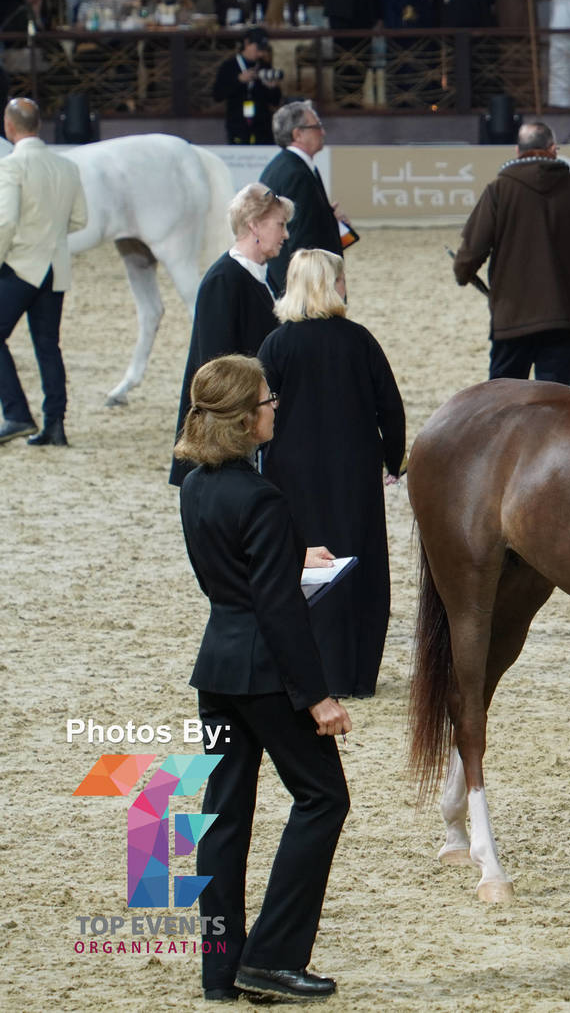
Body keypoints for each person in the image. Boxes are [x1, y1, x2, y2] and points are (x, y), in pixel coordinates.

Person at [174, 353, 351, 1002]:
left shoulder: (195, 487)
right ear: (247, 418)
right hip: (266, 675)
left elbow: (233, 574)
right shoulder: (263, 497)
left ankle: (219, 969)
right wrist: (318, 697)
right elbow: (279, 612)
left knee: (222, 816)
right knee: (323, 796)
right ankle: (272, 957)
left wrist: (284, 555)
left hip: (216, 666)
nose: (276, 406)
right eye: (268, 399)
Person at [258, 249, 405, 698]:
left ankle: (311, 671)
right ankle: (358, 674)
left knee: (304, 564)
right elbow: (391, 408)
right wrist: (391, 461)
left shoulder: (276, 344)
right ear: (331, 285)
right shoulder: (359, 340)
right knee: (359, 561)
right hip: (354, 472)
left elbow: (258, 411)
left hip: (292, 473)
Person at [454, 121, 570, 384]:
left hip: (512, 317)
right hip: (566, 316)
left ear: (518, 151)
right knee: (558, 407)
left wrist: (463, 273)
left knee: (502, 404)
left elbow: (473, 249)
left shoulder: (499, 189)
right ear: (553, 149)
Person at [169, 183, 292, 486]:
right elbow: (216, 366)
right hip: (229, 437)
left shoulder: (263, 276)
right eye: (280, 225)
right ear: (254, 226)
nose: (286, 234)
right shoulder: (223, 280)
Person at [0, 97, 87, 448]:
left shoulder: (11, 166)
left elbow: (5, 221)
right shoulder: (66, 166)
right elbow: (81, 219)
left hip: (22, 265)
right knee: (48, 347)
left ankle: (18, 414)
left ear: (9, 127)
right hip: (56, 267)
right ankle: (55, 424)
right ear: (38, 124)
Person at [260, 101, 344, 288]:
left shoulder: (286, 166)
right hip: (303, 288)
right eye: (316, 127)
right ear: (298, 134)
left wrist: (326, 218)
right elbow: (301, 239)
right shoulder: (296, 173)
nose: (323, 132)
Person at [213, 28, 282, 146]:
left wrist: (272, 88)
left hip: (262, 125)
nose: (260, 54)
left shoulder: (264, 66)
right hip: (238, 122)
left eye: (263, 50)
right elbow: (217, 95)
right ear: (246, 43)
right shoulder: (229, 66)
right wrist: (238, 80)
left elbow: (275, 101)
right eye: (257, 49)